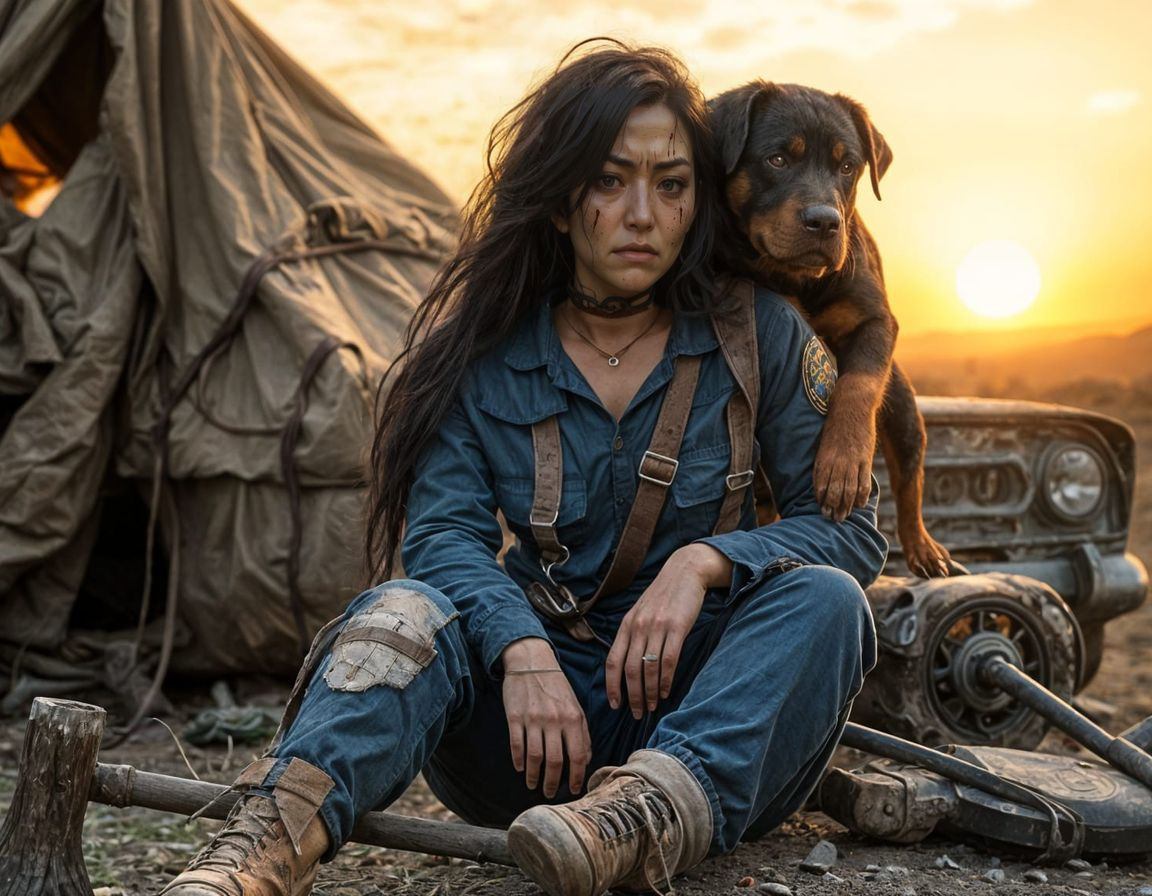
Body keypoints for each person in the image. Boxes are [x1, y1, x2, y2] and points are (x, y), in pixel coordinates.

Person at [160, 38, 885, 896]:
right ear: (560, 200)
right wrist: (522, 650)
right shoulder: (483, 352)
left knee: (827, 599)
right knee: (403, 610)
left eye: (671, 184)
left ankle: (637, 821)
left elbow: (851, 533)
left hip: (708, 721)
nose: (642, 214)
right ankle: (260, 853)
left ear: (698, 201)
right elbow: (443, 535)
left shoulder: (762, 333)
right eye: (610, 181)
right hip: (528, 737)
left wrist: (705, 561)